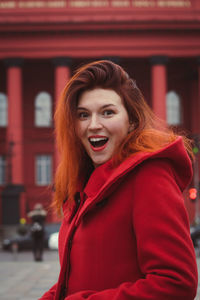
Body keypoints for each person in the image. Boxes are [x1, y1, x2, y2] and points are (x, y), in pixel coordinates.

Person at [40, 60, 198, 299]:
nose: (94, 125)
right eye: (83, 115)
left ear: (131, 121)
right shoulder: (82, 186)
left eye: (108, 112)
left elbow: (176, 283)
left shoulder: (148, 177)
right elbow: (74, 280)